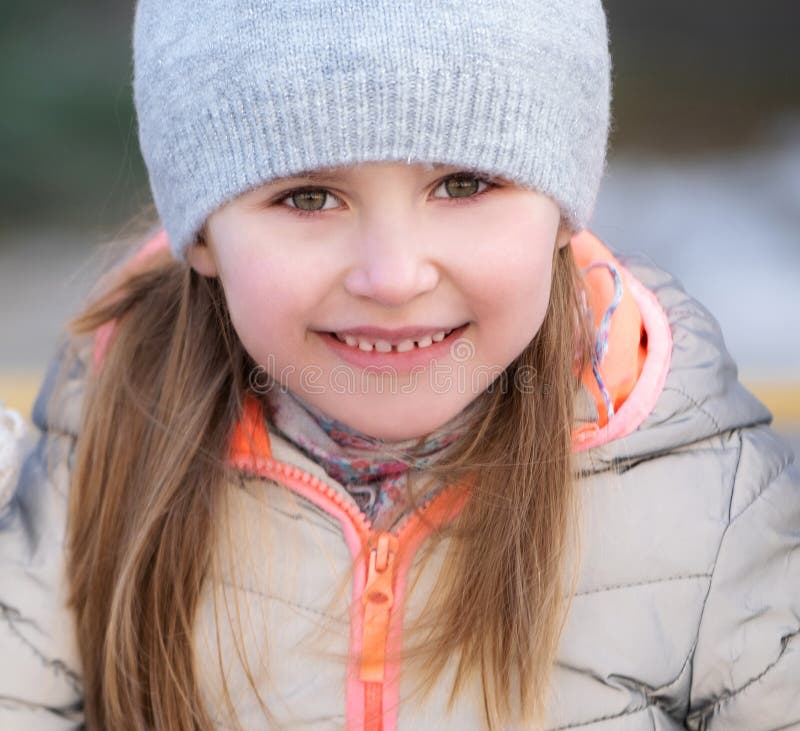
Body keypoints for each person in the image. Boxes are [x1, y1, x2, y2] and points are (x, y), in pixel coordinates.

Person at [1, 0, 798, 729]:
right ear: (203, 232)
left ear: (561, 204)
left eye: (464, 182)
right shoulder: (103, 445)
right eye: (309, 197)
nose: (392, 276)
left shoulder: (711, 502)